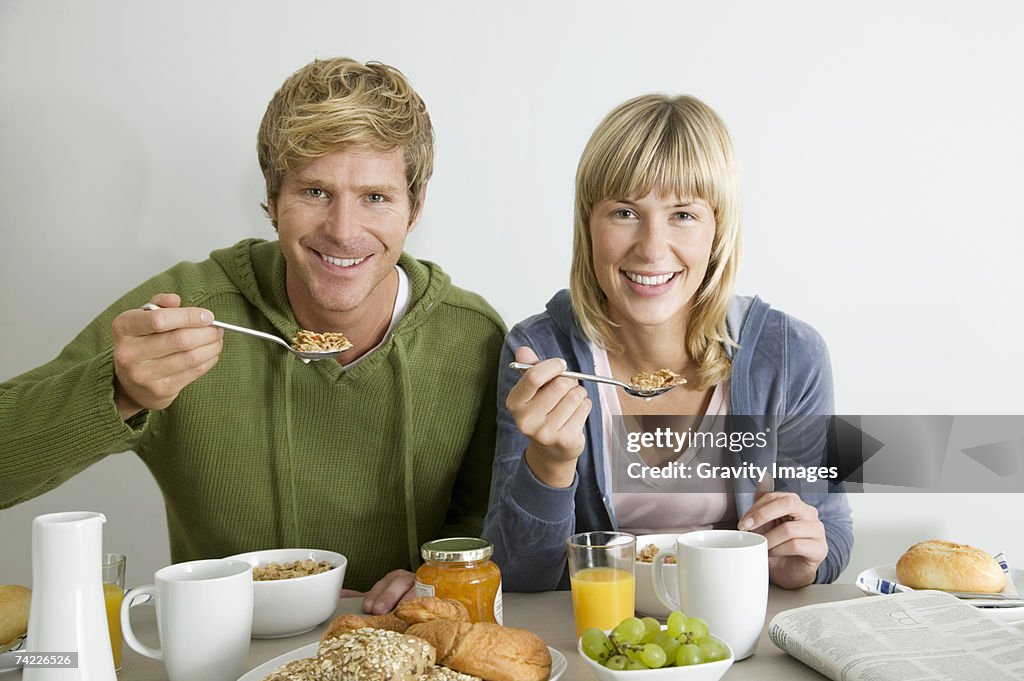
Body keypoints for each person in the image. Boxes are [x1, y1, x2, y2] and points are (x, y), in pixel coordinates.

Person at [0, 57, 505, 613]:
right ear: (271, 199)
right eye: (314, 192)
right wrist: (119, 391)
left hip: (414, 650)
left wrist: (439, 578)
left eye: (375, 197)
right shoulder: (187, 313)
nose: (343, 231)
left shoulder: (472, 337)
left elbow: (490, 517)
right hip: (228, 654)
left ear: (415, 207)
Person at [483, 94, 852, 591]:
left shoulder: (790, 356)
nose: (652, 248)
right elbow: (517, 576)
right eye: (624, 213)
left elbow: (832, 532)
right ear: (588, 226)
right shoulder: (542, 353)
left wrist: (803, 560)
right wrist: (550, 466)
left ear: (717, 230)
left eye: (683, 215)